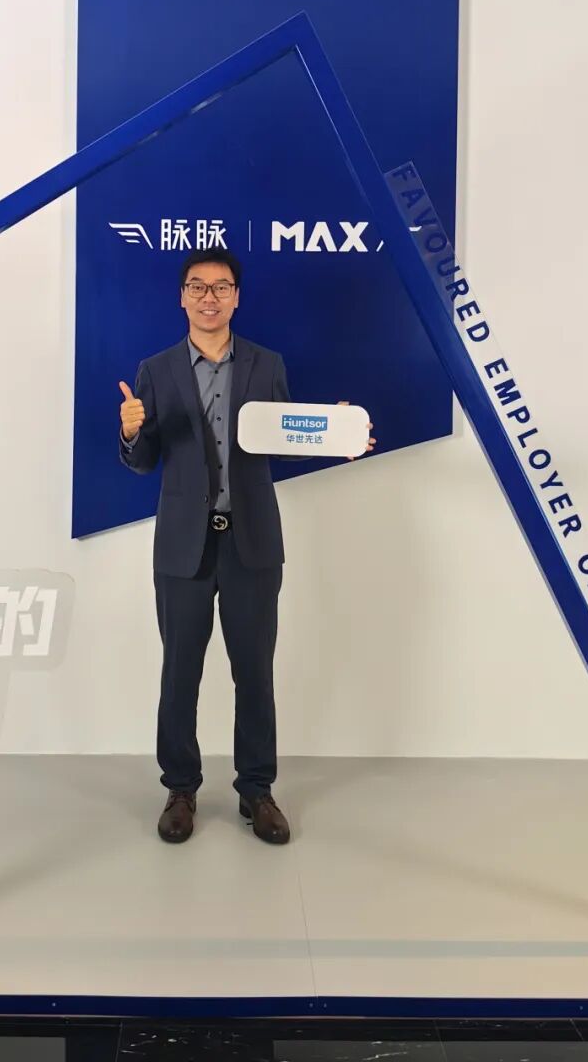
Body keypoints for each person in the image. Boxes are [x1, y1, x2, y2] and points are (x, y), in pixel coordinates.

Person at [118, 246, 374, 846]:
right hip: (182, 547)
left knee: (254, 672)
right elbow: (145, 461)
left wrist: (334, 434)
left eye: (221, 287)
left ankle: (257, 790)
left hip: (252, 542)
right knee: (180, 673)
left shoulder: (266, 364)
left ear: (236, 297)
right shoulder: (155, 370)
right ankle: (180, 789)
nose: (209, 298)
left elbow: (283, 437)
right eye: (198, 287)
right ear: (182, 297)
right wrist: (131, 433)